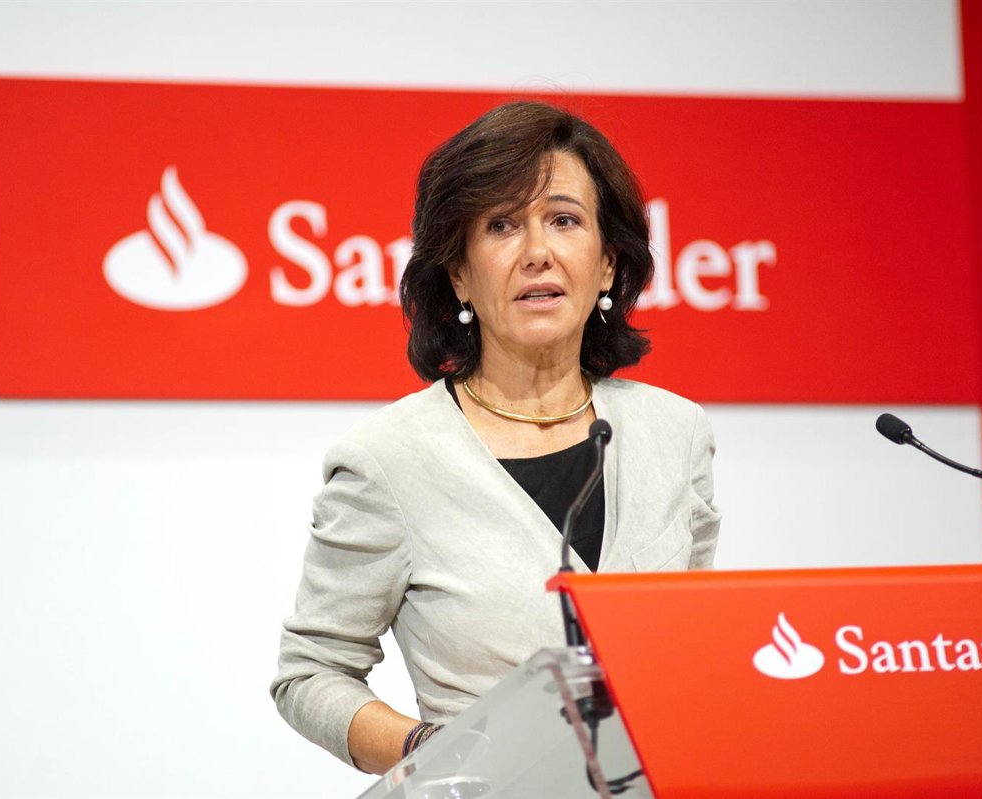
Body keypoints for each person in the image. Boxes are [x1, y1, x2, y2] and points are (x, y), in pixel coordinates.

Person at [270, 100, 721, 775]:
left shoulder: (674, 432)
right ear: (459, 273)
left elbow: (700, 645)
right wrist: (433, 749)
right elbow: (310, 673)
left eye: (564, 220)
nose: (537, 253)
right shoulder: (391, 459)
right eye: (502, 225)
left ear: (607, 264)